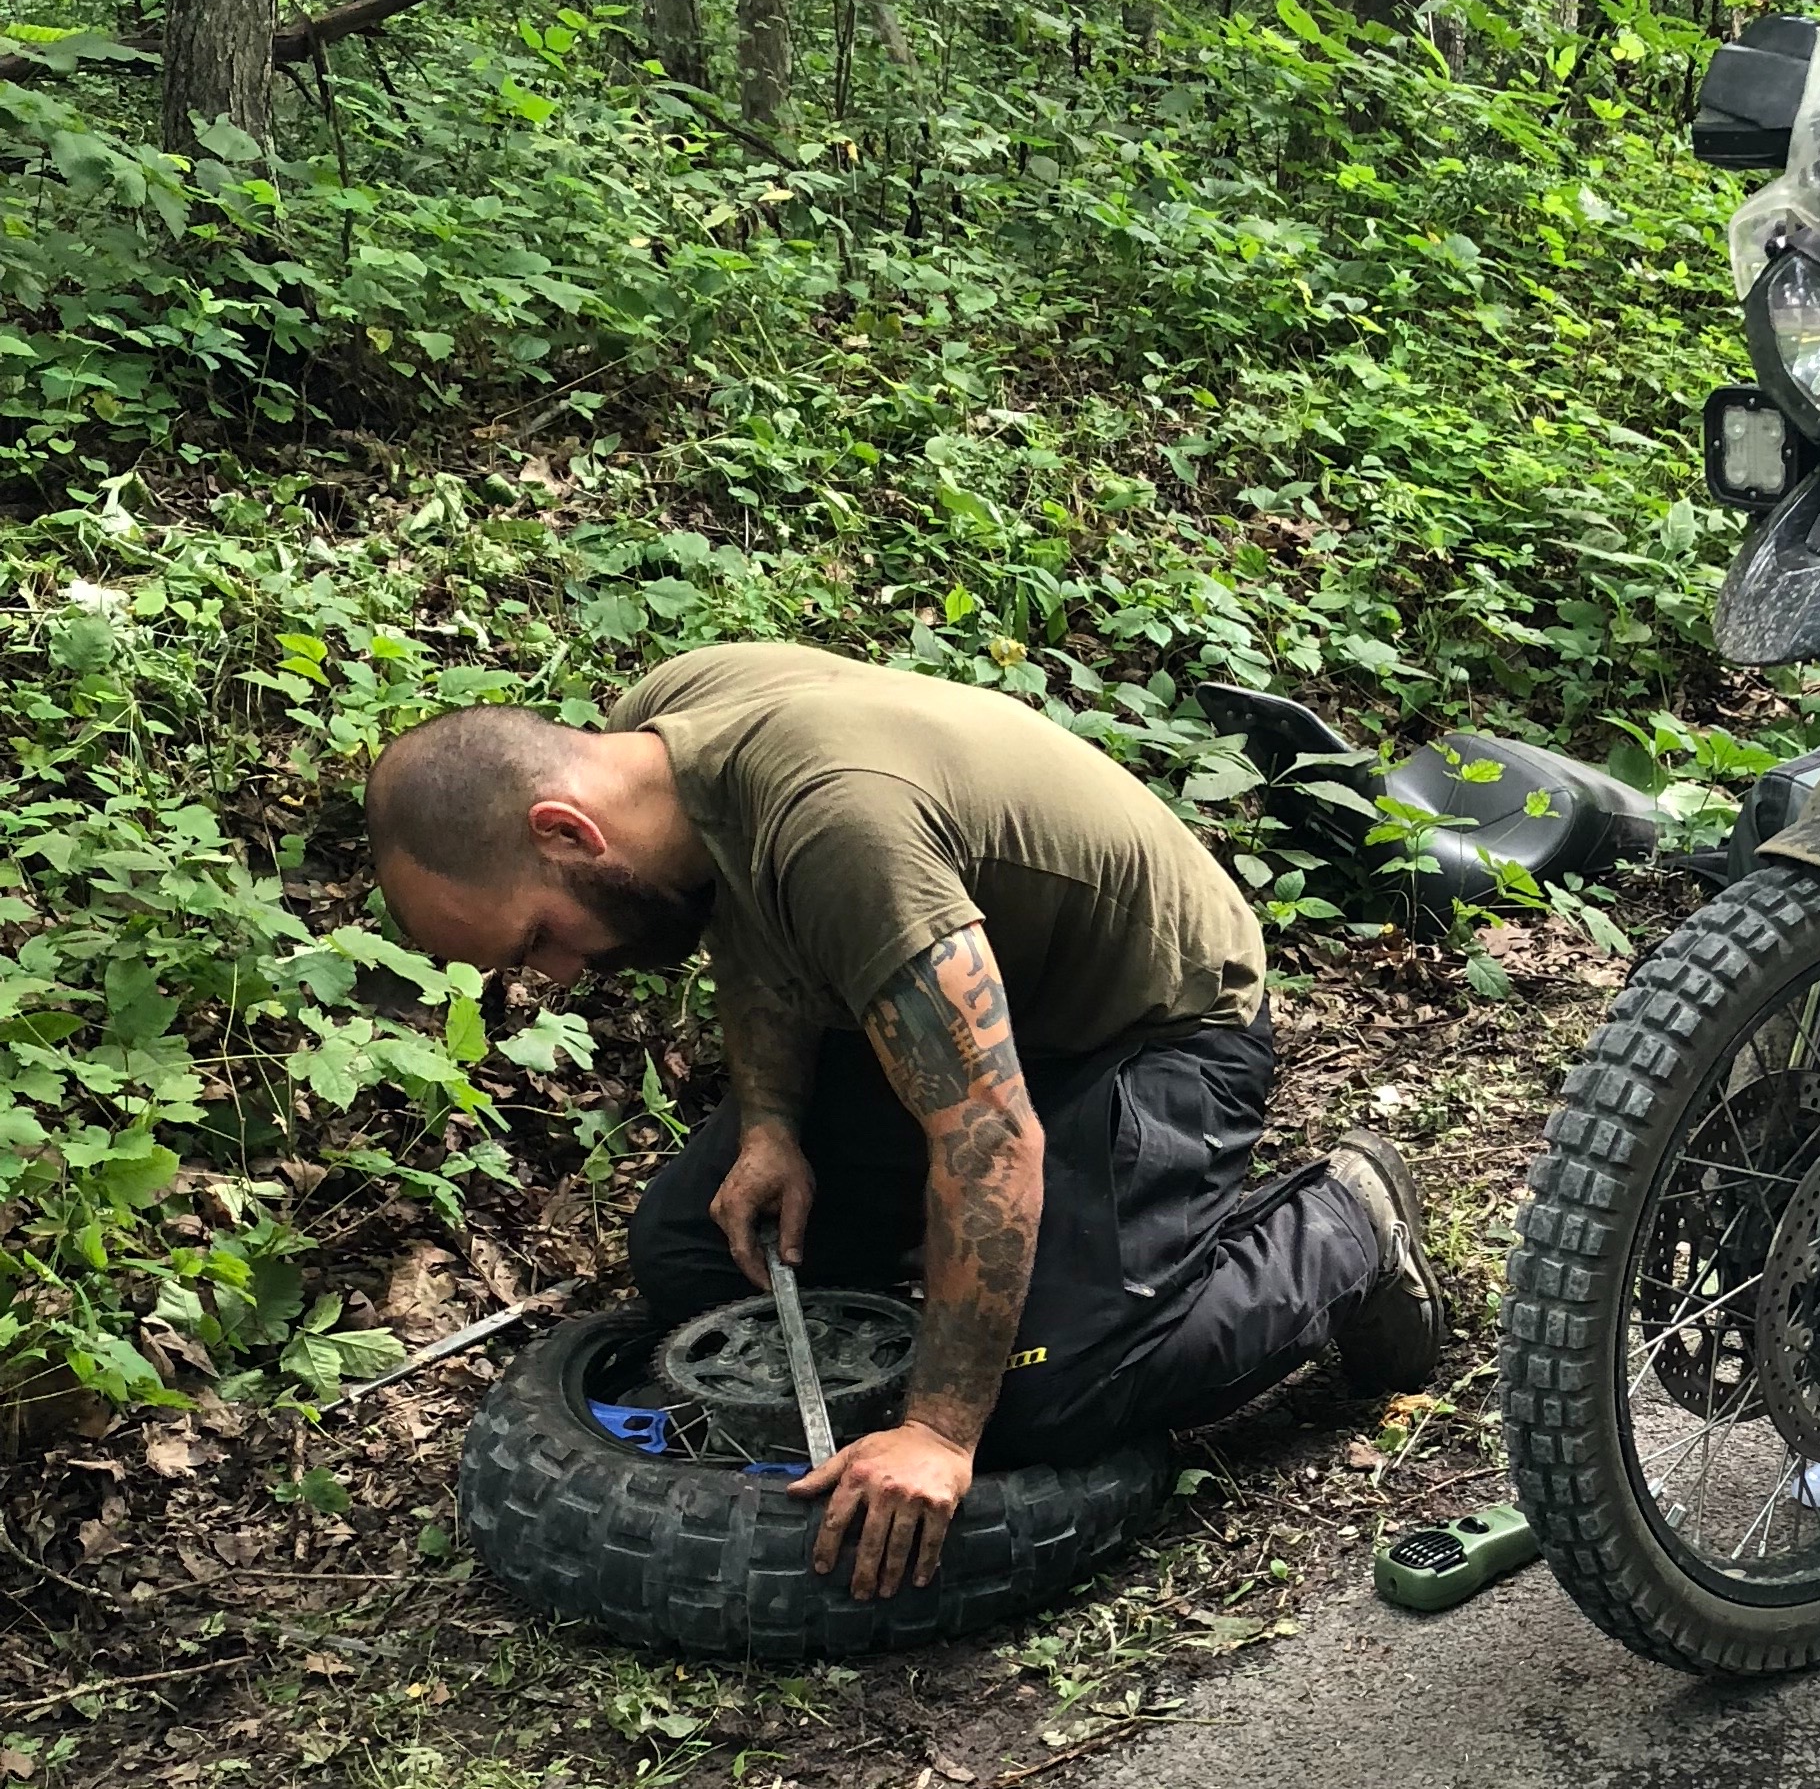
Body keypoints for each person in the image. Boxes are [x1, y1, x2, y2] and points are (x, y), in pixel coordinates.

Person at [365, 642, 1443, 1602]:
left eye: (537, 939)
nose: (556, 975)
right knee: (700, 1249)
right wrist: (772, 1125)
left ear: (565, 828)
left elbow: (990, 1139)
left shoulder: (839, 826)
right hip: (970, 1008)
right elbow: (754, 925)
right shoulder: (665, 736)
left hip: (1151, 1027)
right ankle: (980, 1301)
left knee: (1047, 1396)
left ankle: (1345, 1222)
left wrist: (938, 1426)